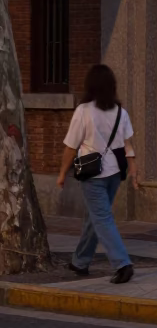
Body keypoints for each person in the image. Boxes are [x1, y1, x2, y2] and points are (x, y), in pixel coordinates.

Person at [56, 64, 139, 284]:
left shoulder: (83, 111)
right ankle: (80, 261)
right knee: (95, 218)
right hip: (114, 173)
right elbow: (128, 144)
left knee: (101, 219)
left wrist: (62, 173)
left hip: (92, 174)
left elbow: (70, 147)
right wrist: (133, 168)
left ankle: (122, 264)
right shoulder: (121, 112)